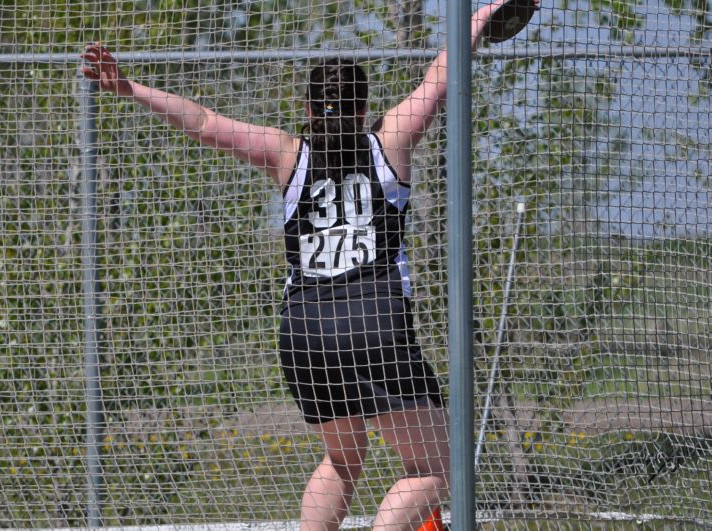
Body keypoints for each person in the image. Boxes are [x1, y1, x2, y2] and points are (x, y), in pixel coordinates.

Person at [81, 2, 530, 529]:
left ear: (310, 107)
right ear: (361, 108)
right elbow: (443, 73)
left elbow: (202, 122)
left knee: (343, 458)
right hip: (372, 319)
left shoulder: (286, 153)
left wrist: (129, 87)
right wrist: (478, 16)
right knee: (439, 465)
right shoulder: (391, 139)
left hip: (304, 329)